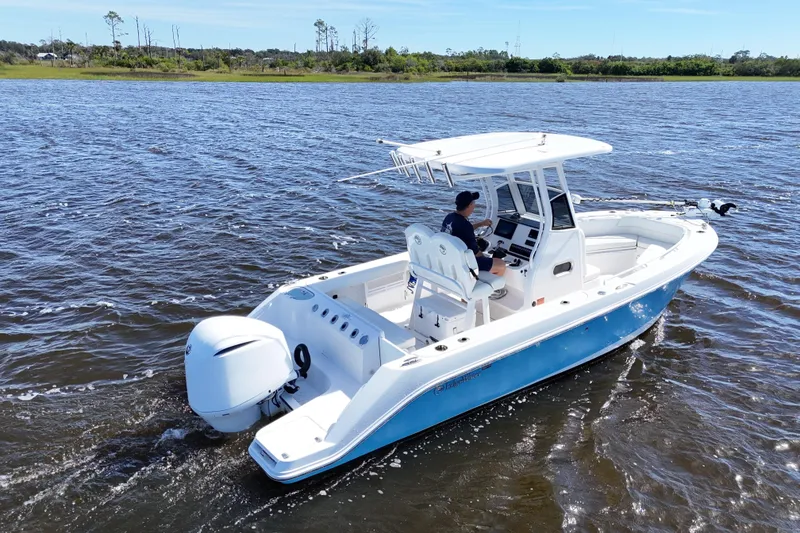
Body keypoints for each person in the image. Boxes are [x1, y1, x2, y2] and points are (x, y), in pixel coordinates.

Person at [441, 191, 507, 276]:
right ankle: (487, 282)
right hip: (464, 264)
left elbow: (462, 229)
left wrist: (481, 224)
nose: (474, 205)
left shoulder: (449, 217)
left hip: (449, 257)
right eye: (474, 203)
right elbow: (477, 254)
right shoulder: (466, 226)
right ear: (469, 205)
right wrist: (490, 259)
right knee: (501, 264)